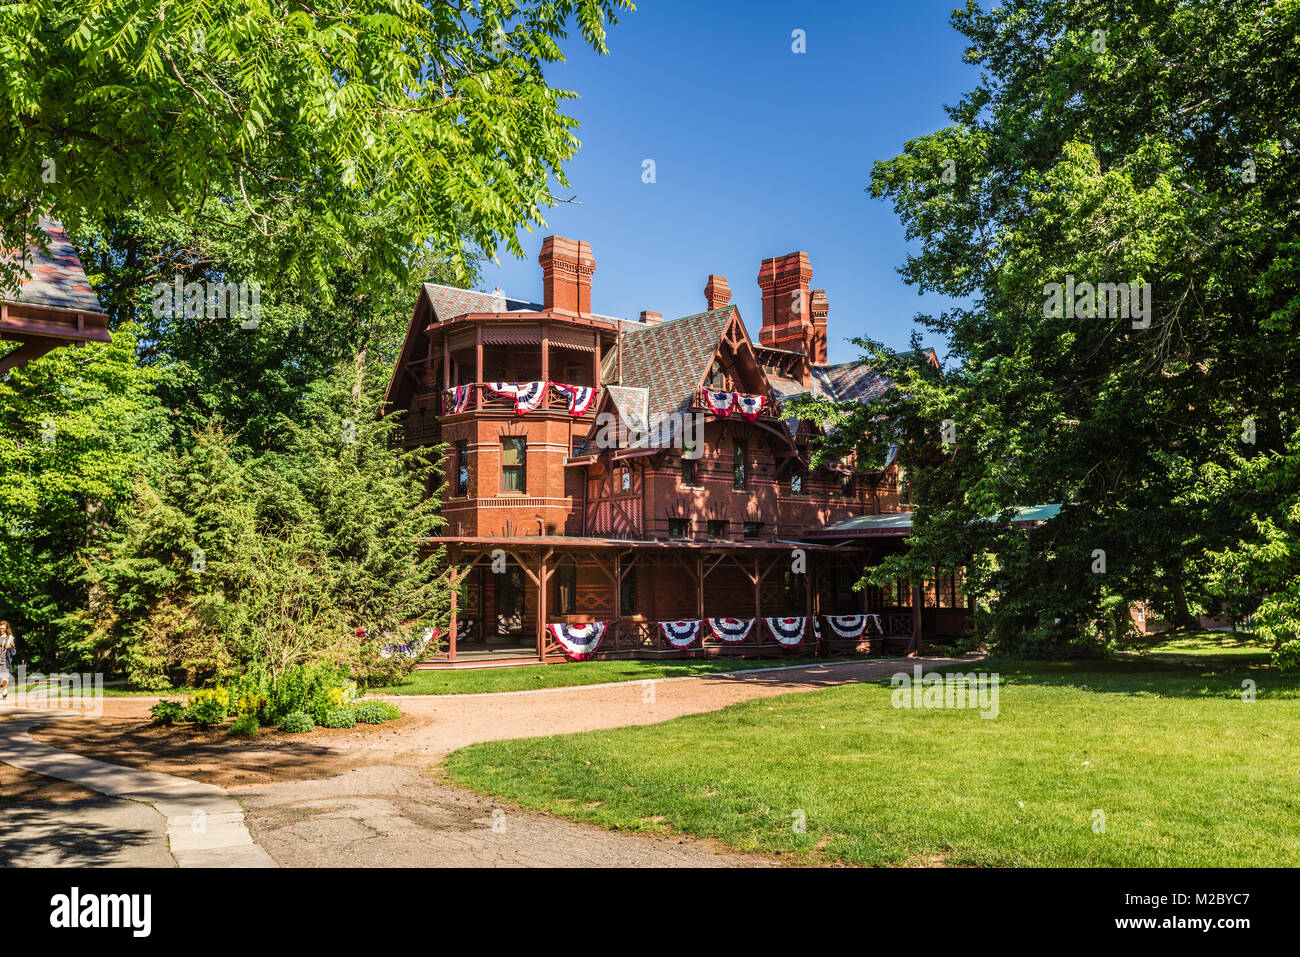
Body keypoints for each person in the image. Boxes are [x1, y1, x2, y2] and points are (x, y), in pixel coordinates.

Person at [0, 621, 14, 700]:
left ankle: (5, 689)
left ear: (6, 628)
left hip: (5, 660)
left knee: (4, 678)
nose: (1, 630)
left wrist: (10, 647)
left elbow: (14, 651)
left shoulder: (9, 638)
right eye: (0, 628)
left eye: (3, 628)